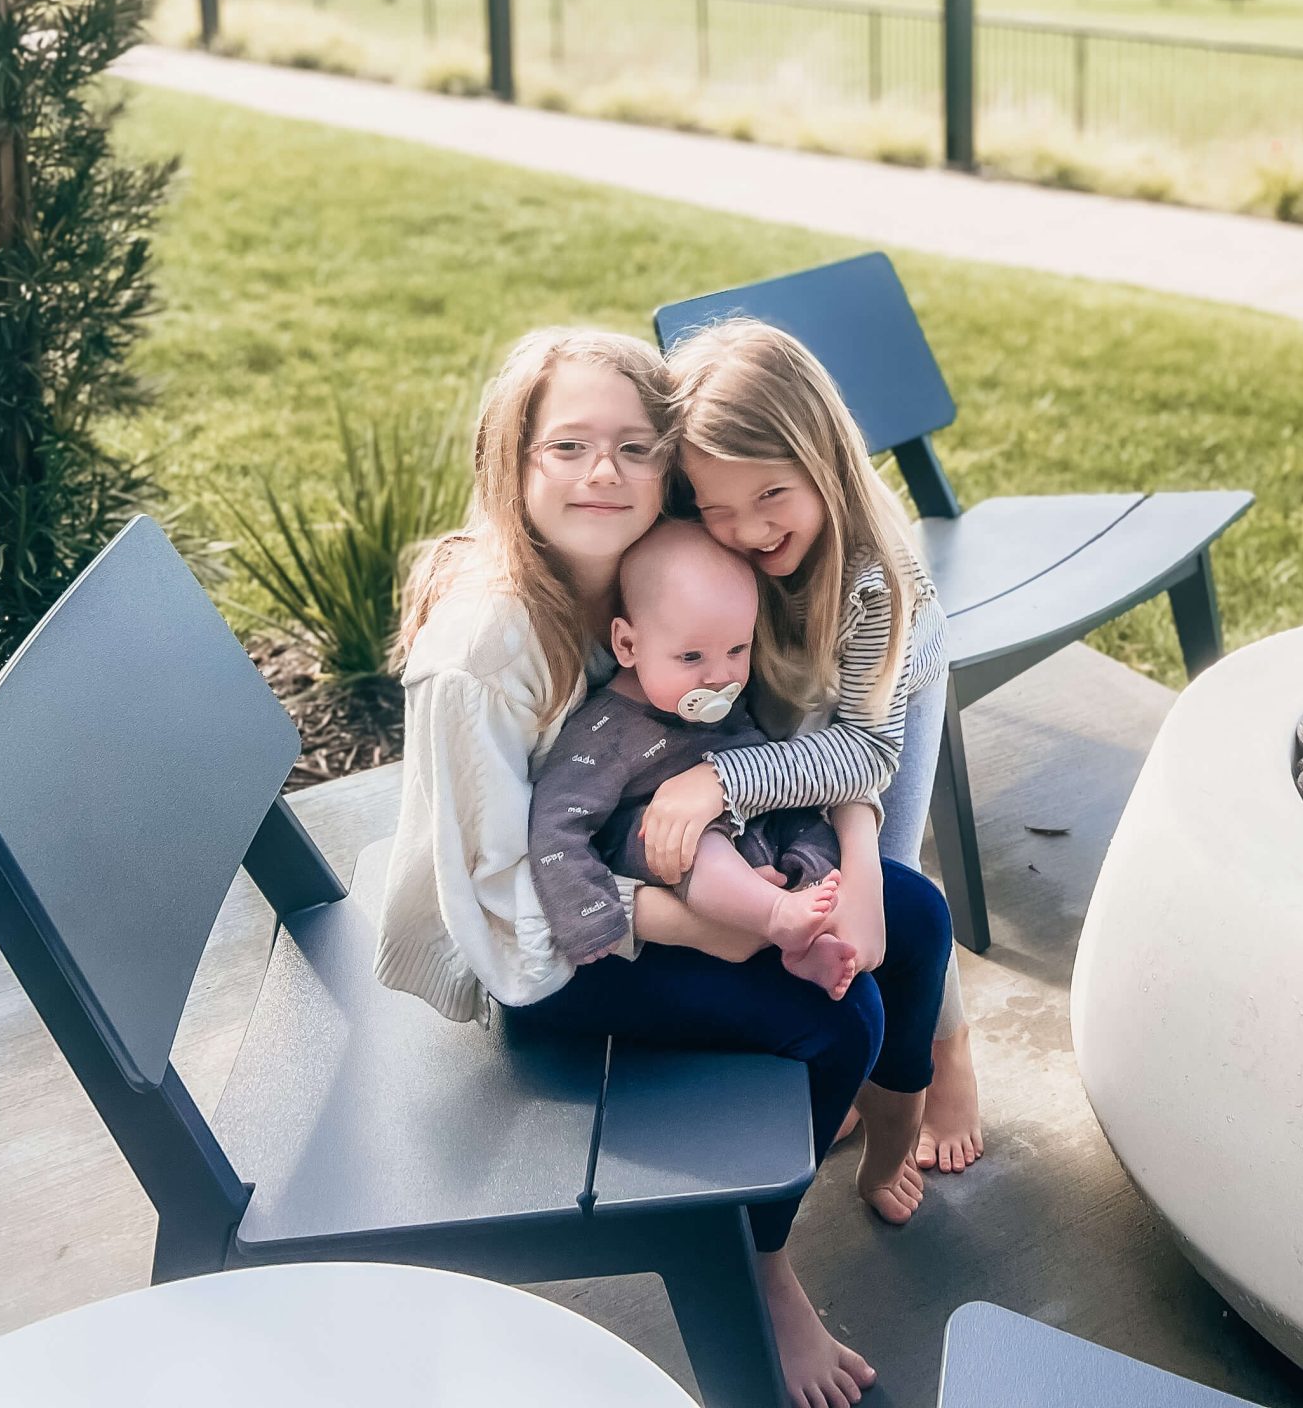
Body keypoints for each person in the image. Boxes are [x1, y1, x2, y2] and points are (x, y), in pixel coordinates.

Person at [375, 325, 928, 1408]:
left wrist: (818, 856)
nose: (604, 473)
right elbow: (500, 913)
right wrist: (696, 925)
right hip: (545, 955)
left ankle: (884, 1129)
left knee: (908, 916)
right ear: (512, 459)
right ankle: (761, 1268)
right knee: (838, 1019)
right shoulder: (482, 654)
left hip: (658, 867)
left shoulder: (656, 561)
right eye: (568, 446)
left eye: (635, 447)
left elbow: (764, 719)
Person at [646, 319, 985, 1218]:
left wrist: (724, 783)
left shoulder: (875, 576)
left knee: (896, 882)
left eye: (770, 495)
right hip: (796, 696)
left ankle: (948, 1058)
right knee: (830, 884)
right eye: (717, 507)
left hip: (886, 693)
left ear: (824, 461)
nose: (746, 528)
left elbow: (864, 751)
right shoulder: (721, 532)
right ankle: (869, 1063)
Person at [529, 521, 860, 997]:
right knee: (694, 843)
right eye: (691, 656)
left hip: (748, 823)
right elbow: (556, 823)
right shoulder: (603, 732)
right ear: (627, 644)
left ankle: (804, 935)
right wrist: (589, 916)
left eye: (737, 649)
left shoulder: (723, 695)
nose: (720, 676)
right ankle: (774, 914)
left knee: (809, 824)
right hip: (665, 843)